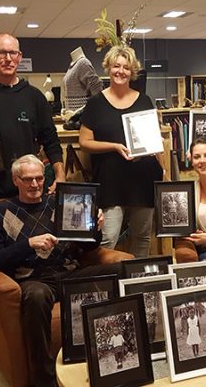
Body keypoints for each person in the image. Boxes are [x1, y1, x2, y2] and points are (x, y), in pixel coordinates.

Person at [0, 154, 130, 387]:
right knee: (36, 296)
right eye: (28, 179)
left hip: (69, 274)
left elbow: (87, 246)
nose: (35, 184)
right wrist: (28, 244)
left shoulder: (60, 202)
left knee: (124, 270)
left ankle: (124, 357)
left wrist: (94, 229)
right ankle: (45, 381)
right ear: (15, 180)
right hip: (35, 280)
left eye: (39, 178)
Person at [79, 45, 163, 257]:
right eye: (116, 66)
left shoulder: (144, 100)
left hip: (143, 179)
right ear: (108, 68)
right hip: (111, 182)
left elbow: (153, 141)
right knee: (108, 239)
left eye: (126, 67)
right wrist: (114, 147)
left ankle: (138, 283)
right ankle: (109, 287)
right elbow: (85, 142)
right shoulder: (95, 103)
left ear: (132, 71)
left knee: (142, 237)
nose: (121, 71)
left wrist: (164, 171)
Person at [0, 33, 65, 200]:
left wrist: (60, 175)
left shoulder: (34, 96)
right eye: (1, 52)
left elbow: (51, 140)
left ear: (20, 57)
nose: (8, 58)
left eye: (13, 53)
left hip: (27, 188)